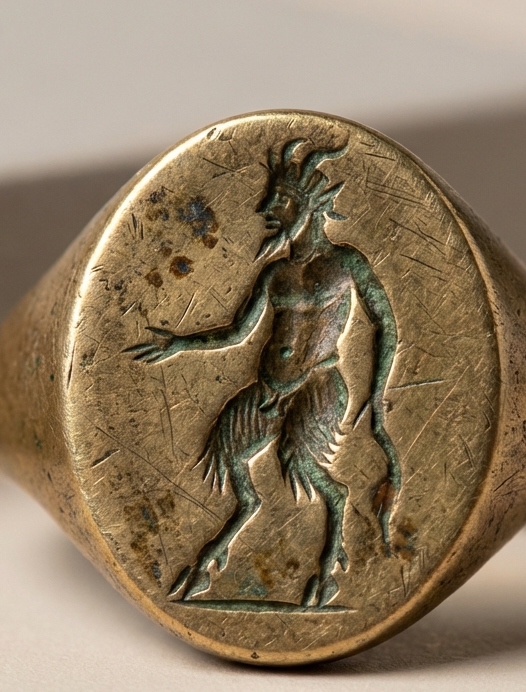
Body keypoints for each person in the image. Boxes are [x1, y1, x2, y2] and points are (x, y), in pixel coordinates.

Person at [127, 139, 400, 607]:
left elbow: (386, 323)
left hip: (317, 382)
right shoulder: (276, 276)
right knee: (225, 450)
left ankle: (328, 564)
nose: (268, 209)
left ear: (309, 206)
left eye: (282, 201)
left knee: (297, 464)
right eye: (272, 200)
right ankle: (230, 531)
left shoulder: (345, 263)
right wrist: (180, 343)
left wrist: (376, 397)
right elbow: (238, 333)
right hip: (269, 386)